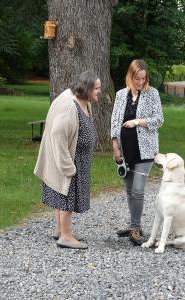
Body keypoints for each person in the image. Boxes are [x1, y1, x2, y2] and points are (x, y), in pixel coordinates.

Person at [34, 71, 101, 249]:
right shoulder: (69, 107)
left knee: (64, 196)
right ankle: (65, 236)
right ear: (86, 89)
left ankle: (60, 230)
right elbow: (57, 135)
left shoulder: (82, 101)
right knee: (67, 197)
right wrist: (68, 167)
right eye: (97, 88)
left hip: (77, 158)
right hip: (70, 160)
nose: (99, 91)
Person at [110, 59, 164, 245]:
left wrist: (138, 121)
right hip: (126, 150)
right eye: (137, 78)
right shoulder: (120, 95)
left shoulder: (152, 94)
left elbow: (159, 120)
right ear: (130, 76)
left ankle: (134, 228)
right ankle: (136, 225)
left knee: (138, 190)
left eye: (143, 78)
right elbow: (114, 122)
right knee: (129, 190)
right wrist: (115, 147)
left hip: (145, 150)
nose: (141, 82)